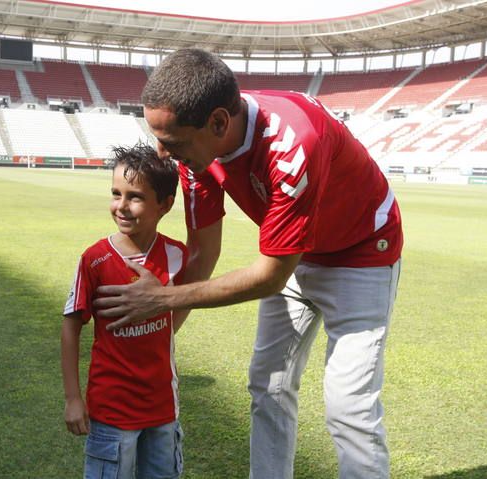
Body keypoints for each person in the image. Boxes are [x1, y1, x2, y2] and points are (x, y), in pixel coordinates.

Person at [93, 49, 403, 479]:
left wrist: (160, 298)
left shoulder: (292, 145)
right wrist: (158, 341)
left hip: (362, 252)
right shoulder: (195, 146)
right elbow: (202, 250)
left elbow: (270, 276)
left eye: (173, 141)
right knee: (268, 386)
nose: (162, 153)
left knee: (349, 406)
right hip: (295, 254)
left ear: (219, 123)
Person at [61, 144, 188, 479]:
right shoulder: (95, 259)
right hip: (111, 410)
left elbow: (186, 301)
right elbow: (71, 325)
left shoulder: (177, 256)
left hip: (163, 408)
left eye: (135, 196)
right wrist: (73, 398)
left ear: (165, 205)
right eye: (116, 193)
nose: (121, 206)